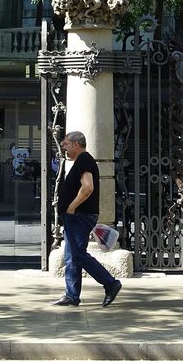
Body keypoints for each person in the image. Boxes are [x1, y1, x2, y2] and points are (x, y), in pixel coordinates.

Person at [51, 131, 123, 307]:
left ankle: (111, 284)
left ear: (76, 144)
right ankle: (71, 295)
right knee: (71, 256)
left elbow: (88, 187)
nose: (63, 147)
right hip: (76, 216)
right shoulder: (81, 161)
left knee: (78, 255)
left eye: (66, 143)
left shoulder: (84, 160)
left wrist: (71, 207)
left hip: (79, 216)